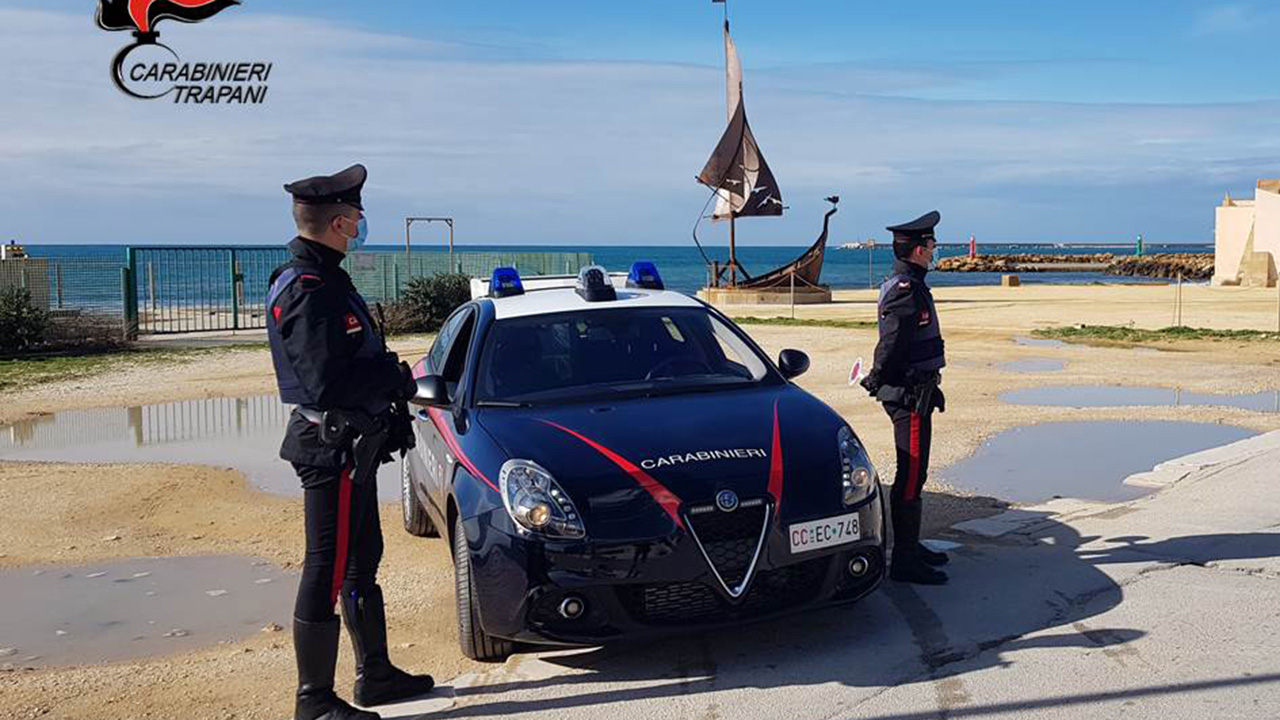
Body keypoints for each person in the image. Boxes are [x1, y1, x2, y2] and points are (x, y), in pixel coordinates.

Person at [268, 164, 433, 720]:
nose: (363, 225)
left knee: (364, 560)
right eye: (358, 217)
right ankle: (313, 700)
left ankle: (376, 675)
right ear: (340, 221)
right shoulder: (308, 287)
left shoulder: (328, 277)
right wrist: (392, 377)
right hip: (329, 448)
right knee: (328, 567)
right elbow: (325, 383)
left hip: (354, 446)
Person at [860, 210, 950, 586]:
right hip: (908, 395)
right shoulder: (904, 290)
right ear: (916, 250)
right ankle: (905, 561)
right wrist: (877, 378)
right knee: (910, 475)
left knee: (917, 473)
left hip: (920, 390)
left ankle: (912, 546)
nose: (934, 250)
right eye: (930, 245)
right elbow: (892, 344)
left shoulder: (913, 284)